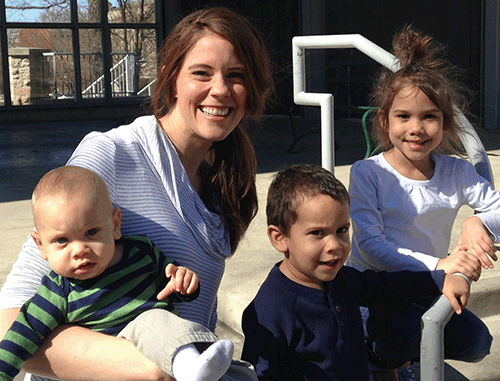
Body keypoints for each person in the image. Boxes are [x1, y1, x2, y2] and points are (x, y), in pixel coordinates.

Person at [0, 7, 273, 381]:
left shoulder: (225, 177)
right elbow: (9, 319)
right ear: (171, 76)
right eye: (202, 73)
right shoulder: (113, 155)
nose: (221, 89)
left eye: (237, 75)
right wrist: (153, 366)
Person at [347, 25, 499, 380]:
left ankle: (400, 358)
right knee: (401, 335)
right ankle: (384, 361)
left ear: (445, 123)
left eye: (429, 116)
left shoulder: (455, 172)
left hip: (424, 289)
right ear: (385, 120)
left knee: (478, 341)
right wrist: (441, 266)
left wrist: (478, 222)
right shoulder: (368, 173)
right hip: (374, 294)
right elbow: (370, 247)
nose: (416, 128)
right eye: (404, 116)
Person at [0, 166, 234, 381]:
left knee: (159, 323)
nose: (80, 249)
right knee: (153, 320)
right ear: (41, 245)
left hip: (156, 344)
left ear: (115, 225)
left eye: (91, 232)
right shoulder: (58, 290)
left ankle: (190, 366)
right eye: (62, 240)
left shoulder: (141, 252)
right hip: (107, 366)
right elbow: (23, 333)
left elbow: (170, 287)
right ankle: (189, 366)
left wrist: (182, 283)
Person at [240, 163, 471, 380]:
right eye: (318, 233)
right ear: (280, 238)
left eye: (341, 230)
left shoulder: (342, 279)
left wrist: (438, 280)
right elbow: (258, 374)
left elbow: (387, 287)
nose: (334, 245)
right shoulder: (269, 312)